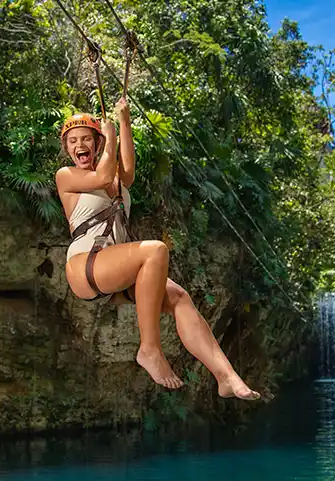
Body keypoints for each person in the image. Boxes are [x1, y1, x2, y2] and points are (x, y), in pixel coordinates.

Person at [55, 98, 259, 400]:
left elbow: (128, 173)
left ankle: (226, 376)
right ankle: (149, 350)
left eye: (86, 139)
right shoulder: (67, 176)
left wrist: (123, 121)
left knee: (178, 297)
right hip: (85, 265)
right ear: (68, 149)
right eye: (73, 141)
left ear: (95, 144)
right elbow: (100, 176)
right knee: (155, 250)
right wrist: (108, 136)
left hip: (111, 273)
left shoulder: (115, 180)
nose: (79, 145)